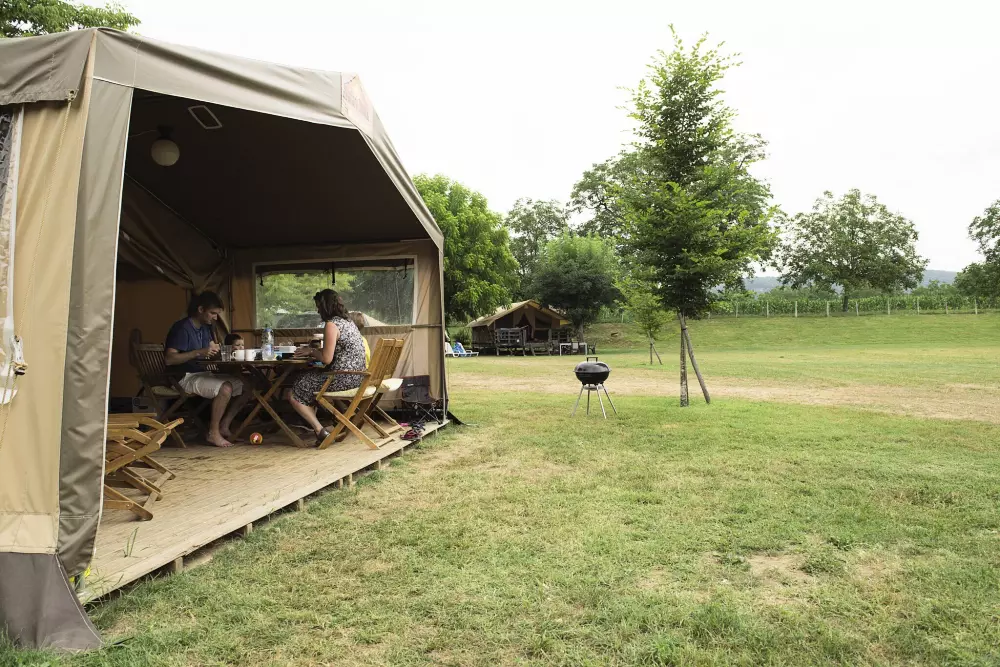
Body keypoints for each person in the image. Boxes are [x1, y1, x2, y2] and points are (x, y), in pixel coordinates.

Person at [165, 292, 251, 447]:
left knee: (246, 386)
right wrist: (198, 352)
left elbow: (209, 351)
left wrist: (219, 352)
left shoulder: (205, 328)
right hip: (182, 377)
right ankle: (213, 433)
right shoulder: (182, 328)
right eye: (213, 313)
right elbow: (169, 359)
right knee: (225, 388)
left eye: (217, 314)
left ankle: (224, 425)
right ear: (200, 309)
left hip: (202, 373)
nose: (216, 318)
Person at [289, 289, 366, 443]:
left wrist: (311, 351)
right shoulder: (349, 322)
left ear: (325, 306)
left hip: (341, 379)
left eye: (318, 306)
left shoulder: (332, 324)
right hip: (358, 378)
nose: (318, 310)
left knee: (294, 392)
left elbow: (326, 359)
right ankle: (343, 419)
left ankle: (319, 430)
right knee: (308, 380)